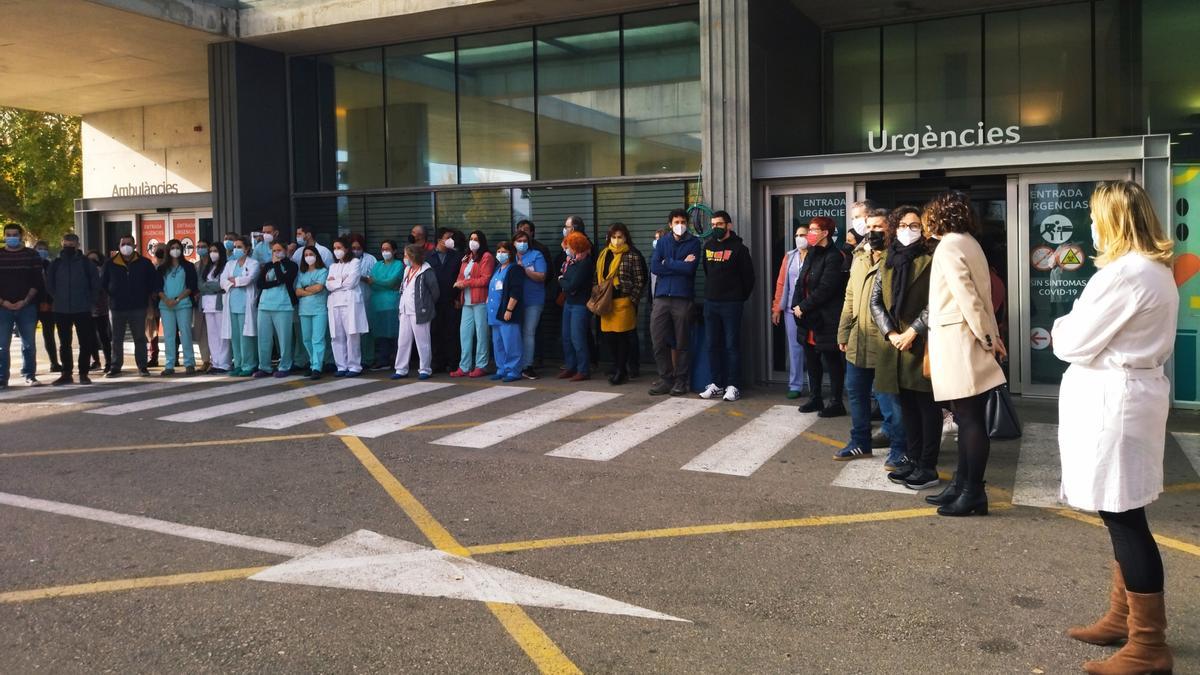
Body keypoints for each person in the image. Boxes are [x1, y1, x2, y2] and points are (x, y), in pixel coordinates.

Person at [1052, 181, 1176, 674]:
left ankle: (1148, 646)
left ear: (1114, 220)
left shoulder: (1124, 274)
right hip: (1128, 397)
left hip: (1115, 403)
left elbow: (1071, 342)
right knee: (1121, 511)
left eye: (1095, 215)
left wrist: (1065, 326)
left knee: (1124, 517)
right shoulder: (1155, 270)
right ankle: (1123, 618)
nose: (1091, 225)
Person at [924, 191, 1007, 517]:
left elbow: (968, 296)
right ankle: (961, 485)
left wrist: (988, 338)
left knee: (969, 420)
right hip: (967, 338)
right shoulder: (969, 242)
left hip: (960, 341)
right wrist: (991, 335)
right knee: (967, 417)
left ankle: (972, 492)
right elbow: (982, 296)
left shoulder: (948, 245)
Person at [870, 206, 942, 490]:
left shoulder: (932, 258)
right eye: (902, 224)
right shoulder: (888, 257)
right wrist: (890, 333)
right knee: (907, 407)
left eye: (914, 225)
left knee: (927, 408)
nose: (908, 229)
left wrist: (912, 331)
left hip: (921, 342)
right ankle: (912, 460)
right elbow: (875, 300)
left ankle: (928, 466)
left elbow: (936, 301)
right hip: (894, 345)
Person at [835, 209, 907, 465]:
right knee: (856, 393)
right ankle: (860, 442)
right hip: (858, 338)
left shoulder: (897, 258)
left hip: (885, 341)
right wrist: (843, 331)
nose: (873, 231)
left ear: (890, 229)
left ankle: (899, 448)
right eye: (869, 226)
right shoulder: (859, 256)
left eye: (879, 226)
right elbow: (850, 297)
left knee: (890, 399)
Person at [790, 216, 849, 418]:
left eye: (814, 230)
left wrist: (803, 307)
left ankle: (836, 402)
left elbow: (827, 288)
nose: (810, 234)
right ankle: (815, 398)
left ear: (825, 233)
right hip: (808, 318)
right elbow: (800, 281)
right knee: (811, 359)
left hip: (826, 318)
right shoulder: (811, 253)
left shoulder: (834, 256)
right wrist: (796, 305)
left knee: (831, 360)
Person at [699, 210, 755, 402]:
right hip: (711, 303)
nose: (716, 228)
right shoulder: (707, 246)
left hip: (732, 304)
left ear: (729, 225)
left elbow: (749, 278)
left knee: (732, 346)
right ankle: (716, 384)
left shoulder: (740, 249)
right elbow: (707, 272)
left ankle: (733, 386)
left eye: (720, 224)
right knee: (712, 345)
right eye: (713, 225)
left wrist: (738, 297)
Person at [649, 209, 702, 396]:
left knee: (682, 343)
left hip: (682, 298)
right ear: (670, 224)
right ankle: (666, 379)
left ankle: (681, 380)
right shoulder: (663, 242)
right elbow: (655, 267)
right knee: (658, 340)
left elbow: (690, 269)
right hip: (662, 297)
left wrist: (667, 263)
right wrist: (678, 263)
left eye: (683, 221)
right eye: (676, 221)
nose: (680, 225)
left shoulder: (694, 243)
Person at [594, 223, 646, 386]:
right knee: (609, 337)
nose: (617, 241)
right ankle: (617, 365)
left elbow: (640, 280)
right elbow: (598, 277)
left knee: (622, 337)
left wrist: (632, 300)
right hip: (606, 302)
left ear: (626, 238)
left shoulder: (632, 255)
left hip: (624, 301)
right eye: (614, 237)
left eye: (620, 237)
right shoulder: (604, 254)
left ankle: (621, 370)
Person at [45, 234, 99, 385]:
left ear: (78, 245)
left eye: (72, 245)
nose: (68, 248)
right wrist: (58, 297)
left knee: (85, 342)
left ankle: (83, 373)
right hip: (61, 309)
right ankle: (66, 373)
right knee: (64, 344)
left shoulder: (86, 263)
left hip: (82, 308)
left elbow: (95, 284)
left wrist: (90, 302)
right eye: (66, 245)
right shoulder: (55, 264)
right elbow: (49, 284)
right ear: (62, 244)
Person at [101, 235, 159, 378]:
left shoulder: (144, 263)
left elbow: (153, 283)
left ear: (135, 246)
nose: (126, 246)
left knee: (140, 337)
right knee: (116, 338)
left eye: (129, 243)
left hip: (138, 307)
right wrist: (112, 295)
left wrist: (151, 302)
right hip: (117, 307)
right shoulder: (110, 263)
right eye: (123, 243)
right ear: (119, 246)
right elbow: (103, 284)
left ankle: (142, 366)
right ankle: (115, 366)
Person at [0, 224, 44, 388]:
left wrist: (24, 301)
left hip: (27, 306)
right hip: (2, 308)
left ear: (21, 236)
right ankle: (2, 377)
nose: (12, 237)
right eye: (9, 234)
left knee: (29, 344)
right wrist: (4, 302)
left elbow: (37, 281)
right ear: (4, 236)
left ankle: (29, 375)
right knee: (2, 345)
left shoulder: (32, 255)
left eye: (15, 234)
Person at [771, 221, 808, 399]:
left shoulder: (816, 256)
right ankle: (796, 385)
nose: (800, 238)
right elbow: (781, 283)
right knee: (794, 348)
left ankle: (816, 386)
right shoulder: (790, 256)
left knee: (814, 349)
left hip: (811, 308)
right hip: (790, 309)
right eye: (797, 235)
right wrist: (776, 308)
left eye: (804, 235)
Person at [450, 231, 494, 378]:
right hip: (466, 301)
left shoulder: (486, 256)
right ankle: (464, 366)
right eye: (471, 239)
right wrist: (458, 288)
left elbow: (485, 279)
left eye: (476, 239)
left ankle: (482, 365)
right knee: (465, 334)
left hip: (480, 300)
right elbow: (460, 276)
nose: (473, 241)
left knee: (482, 334)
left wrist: (466, 283)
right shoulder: (467, 257)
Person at [393, 244, 440, 380]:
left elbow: (435, 292)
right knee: (403, 341)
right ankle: (401, 369)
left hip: (420, 311)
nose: (404, 258)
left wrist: (426, 305)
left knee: (423, 341)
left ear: (413, 256)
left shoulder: (426, 270)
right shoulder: (407, 269)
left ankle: (425, 369)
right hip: (405, 310)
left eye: (406, 255)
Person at [253, 241, 298, 378]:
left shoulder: (292, 265)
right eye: (273, 251)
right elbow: (260, 283)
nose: (276, 253)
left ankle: (285, 366)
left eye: (279, 250)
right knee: (264, 338)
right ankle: (264, 366)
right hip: (264, 305)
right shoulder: (267, 265)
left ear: (285, 251)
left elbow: (285, 279)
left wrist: (278, 265)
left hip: (283, 305)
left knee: (284, 338)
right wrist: (275, 283)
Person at [155, 239, 198, 376]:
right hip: (165, 305)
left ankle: (189, 363)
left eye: (177, 247)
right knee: (169, 335)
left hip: (183, 304)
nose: (175, 250)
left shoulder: (188, 266)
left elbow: (191, 286)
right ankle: (169, 364)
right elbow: (157, 287)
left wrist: (177, 299)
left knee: (185, 333)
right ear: (168, 250)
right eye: (172, 247)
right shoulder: (162, 268)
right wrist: (166, 300)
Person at [326, 237, 368, 377]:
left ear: (346, 249)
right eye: (334, 248)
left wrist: (336, 282)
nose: (336, 251)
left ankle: (354, 366)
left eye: (339, 247)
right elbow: (328, 285)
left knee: (352, 334)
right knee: (336, 336)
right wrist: (341, 281)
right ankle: (341, 366)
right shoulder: (333, 266)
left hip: (350, 303)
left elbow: (352, 282)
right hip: (335, 303)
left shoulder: (355, 262)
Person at [220, 236, 260, 377]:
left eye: (239, 247)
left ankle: (249, 364)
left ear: (247, 248)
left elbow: (249, 279)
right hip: (231, 305)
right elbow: (222, 281)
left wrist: (233, 281)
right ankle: (238, 364)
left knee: (246, 337)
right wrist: (236, 282)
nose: (236, 249)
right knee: (235, 337)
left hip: (246, 305)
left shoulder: (253, 263)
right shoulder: (230, 264)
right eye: (235, 247)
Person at [557, 231, 595, 381]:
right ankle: (570, 366)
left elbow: (571, 284)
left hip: (580, 304)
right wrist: (564, 280)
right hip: (569, 303)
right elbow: (567, 281)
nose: (568, 250)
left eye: (570, 247)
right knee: (566, 337)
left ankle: (583, 369)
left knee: (577, 337)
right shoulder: (572, 262)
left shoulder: (585, 263)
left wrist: (561, 280)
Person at [487, 240, 525, 382]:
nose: (501, 254)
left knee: (511, 342)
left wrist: (509, 309)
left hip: (507, 312)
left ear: (511, 254)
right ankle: (501, 368)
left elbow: (516, 291)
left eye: (504, 252)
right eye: (499, 251)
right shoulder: (497, 269)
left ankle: (514, 370)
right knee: (498, 343)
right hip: (494, 313)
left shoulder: (515, 269)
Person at [513, 230, 547, 379]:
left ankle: (528, 366)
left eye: (524, 241)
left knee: (528, 332)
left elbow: (541, 276)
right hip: (515, 301)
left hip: (534, 300)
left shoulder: (536, 255)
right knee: (515, 333)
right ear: (513, 243)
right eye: (519, 241)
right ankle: (516, 364)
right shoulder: (510, 256)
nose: (522, 244)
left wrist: (525, 270)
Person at [429, 228, 463, 373]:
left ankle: (453, 362)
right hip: (434, 300)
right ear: (439, 240)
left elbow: (461, 278)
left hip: (451, 299)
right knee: (435, 331)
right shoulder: (428, 257)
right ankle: (437, 362)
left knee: (452, 331)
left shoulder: (457, 256)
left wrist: (457, 297)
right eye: (448, 237)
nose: (451, 240)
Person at [367, 240, 403, 370]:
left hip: (393, 303)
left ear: (394, 251)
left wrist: (377, 281)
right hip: (377, 303)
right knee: (381, 334)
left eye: (388, 249)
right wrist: (386, 284)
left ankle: (397, 360)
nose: (385, 252)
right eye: (383, 249)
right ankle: (383, 360)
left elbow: (392, 282)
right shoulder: (376, 265)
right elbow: (372, 283)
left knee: (395, 333)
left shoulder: (399, 264)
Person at [295, 245, 329, 380]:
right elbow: (297, 291)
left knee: (318, 339)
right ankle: (313, 362)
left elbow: (319, 288)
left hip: (319, 309)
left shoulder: (323, 271)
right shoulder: (302, 273)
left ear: (316, 256)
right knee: (307, 339)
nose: (308, 257)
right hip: (304, 310)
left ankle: (317, 367)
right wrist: (309, 289)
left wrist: (305, 289)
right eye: (306, 255)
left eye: (311, 254)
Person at [197, 241, 231, 374]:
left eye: (215, 251)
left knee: (222, 334)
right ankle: (216, 362)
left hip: (219, 304)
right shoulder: (207, 267)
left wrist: (209, 286)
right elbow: (200, 285)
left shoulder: (225, 266)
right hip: (207, 304)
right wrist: (212, 286)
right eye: (210, 251)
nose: (212, 254)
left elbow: (222, 285)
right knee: (212, 335)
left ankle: (224, 363)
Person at [349, 234, 378, 369]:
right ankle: (355, 359)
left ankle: (368, 358)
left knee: (367, 330)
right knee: (353, 331)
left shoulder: (370, 259)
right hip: (350, 300)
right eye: (353, 248)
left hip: (366, 297)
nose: (355, 250)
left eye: (358, 248)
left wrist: (359, 277)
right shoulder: (345, 260)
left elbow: (374, 279)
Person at [34, 240, 60, 374]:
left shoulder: (50, 265)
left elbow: (53, 286)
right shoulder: (29, 265)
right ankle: (29, 367)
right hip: (32, 305)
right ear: (34, 249)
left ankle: (54, 363)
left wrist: (50, 302)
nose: (42, 251)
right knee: (28, 339)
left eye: (44, 249)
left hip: (48, 306)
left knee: (49, 336)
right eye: (39, 249)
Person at [83, 250, 112, 373]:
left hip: (101, 309)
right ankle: (95, 361)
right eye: (90, 260)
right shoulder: (83, 273)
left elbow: (104, 288)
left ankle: (109, 362)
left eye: (95, 260)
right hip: (87, 310)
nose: (92, 263)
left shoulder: (103, 272)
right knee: (90, 338)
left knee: (103, 337)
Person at [191, 239, 211, 371]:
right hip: (199, 303)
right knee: (201, 332)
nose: (200, 249)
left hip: (212, 301)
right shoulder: (195, 265)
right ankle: (205, 360)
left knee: (214, 332)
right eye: (198, 247)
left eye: (203, 246)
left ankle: (217, 359)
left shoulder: (215, 264)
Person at [146, 243, 167, 367]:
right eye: (156, 250)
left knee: (172, 331)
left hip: (168, 300)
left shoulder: (170, 268)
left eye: (161, 250)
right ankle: (153, 356)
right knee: (152, 330)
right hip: (153, 303)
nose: (158, 252)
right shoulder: (151, 267)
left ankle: (174, 356)